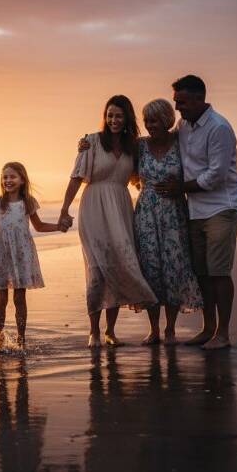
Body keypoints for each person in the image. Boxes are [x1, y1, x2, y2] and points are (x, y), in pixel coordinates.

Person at [59, 95, 158, 348]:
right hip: (93, 208)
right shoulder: (91, 142)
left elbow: (143, 173)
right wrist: (64, 209)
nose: (113, 120)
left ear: (127, 119)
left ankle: (110, 331)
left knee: (117, 265)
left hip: (121, 208)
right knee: (96, 272)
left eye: (119, 116)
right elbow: (76, 178)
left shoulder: (133, 147)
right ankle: (93, 331)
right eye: (109, 115)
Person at [155, 75, 237, 350]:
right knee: (201, 272)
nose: (177, 107)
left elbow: (215, 176)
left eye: (181, 102)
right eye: (176, 101)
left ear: (197, 99)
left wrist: (179, 187)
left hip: (221, 207)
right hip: (194, 210)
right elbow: (159, 139)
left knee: (219, 272)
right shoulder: (184, 125)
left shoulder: (219, 128)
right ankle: (208, 328)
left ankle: (224, 334)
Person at [0, 162, 65, 350]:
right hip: (2, 252)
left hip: (22, 252)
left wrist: (59, 226)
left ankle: (21, 338)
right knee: (1, 297)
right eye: (5, 177)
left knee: (19, 297)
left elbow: (39, 226)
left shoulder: (28, 202)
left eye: (12, 177)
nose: (8, 180)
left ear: (22, 180)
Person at [133, 99, 204, 345]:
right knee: (151, 268)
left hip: (174, 212)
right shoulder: (139, 146)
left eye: (153, 121)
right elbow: (112, 147)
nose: (149, 126)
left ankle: (170, 329)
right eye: (146, 121)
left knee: (174, 268)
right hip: (146, 215)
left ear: (166, 120)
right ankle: (154, 329)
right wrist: (86, 143)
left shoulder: (179, 142)